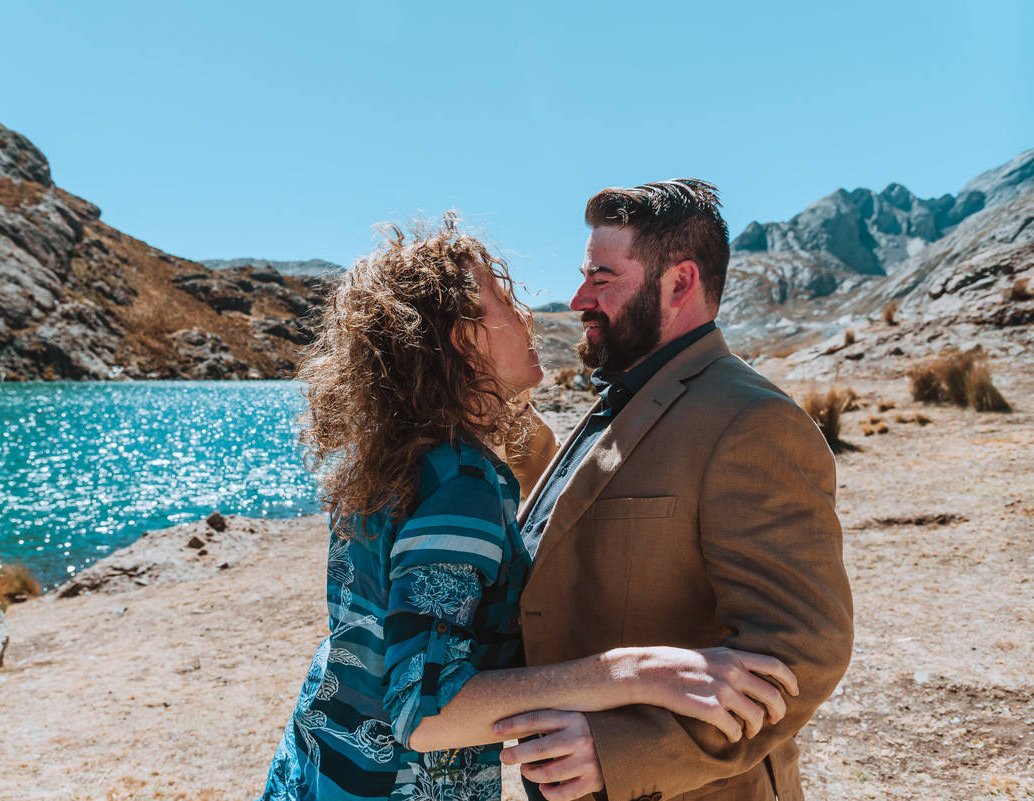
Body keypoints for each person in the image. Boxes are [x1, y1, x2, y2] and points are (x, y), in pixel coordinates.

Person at [259, 215, 801, 801]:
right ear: (463, 339)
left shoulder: (400, 456)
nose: (533, 315)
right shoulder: (462, 486)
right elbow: (425, 712)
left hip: (318, 763)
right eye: (507, 299)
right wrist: (636, 672)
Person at [494, 181, 855, 801]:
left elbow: (803, 648)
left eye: (602, 278)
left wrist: (622, 749)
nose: (579, 298)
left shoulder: (751, 422)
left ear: (680, 283)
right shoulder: (626, 392)